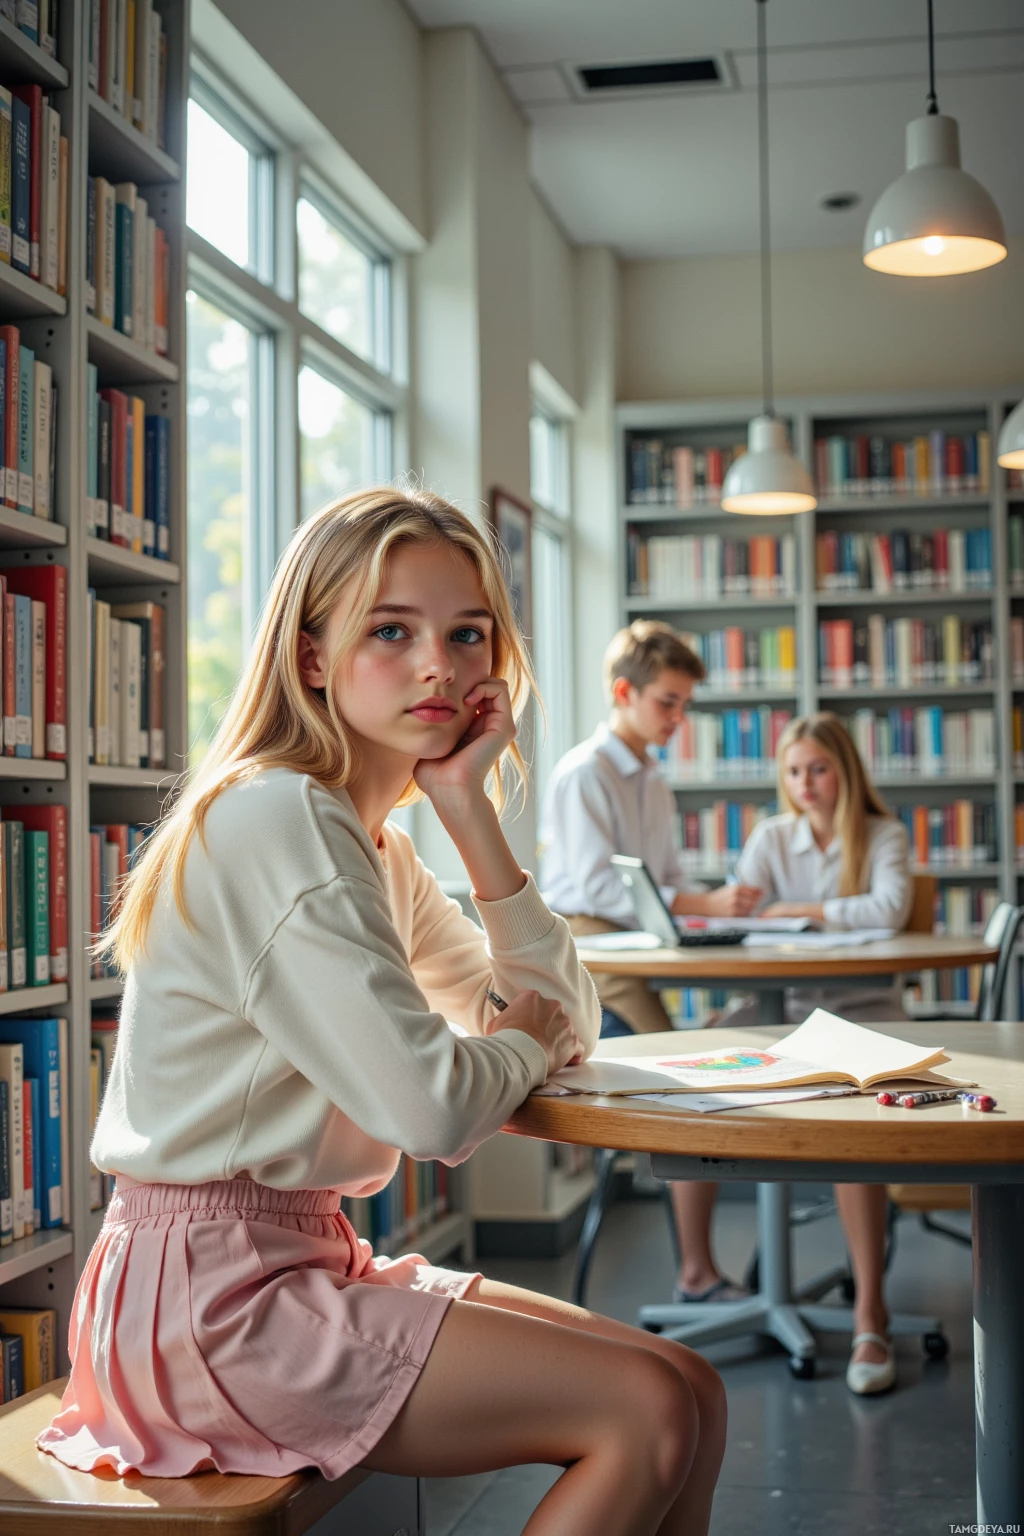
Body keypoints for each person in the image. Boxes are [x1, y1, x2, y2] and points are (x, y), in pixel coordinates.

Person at [39, 490, 726, 1536]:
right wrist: (512, 1042)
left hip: (296, 1265)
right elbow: (432, 1110)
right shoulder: (281, 818)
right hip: (211, 1304)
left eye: (467, 636)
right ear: (312, 656)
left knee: (691, 1386)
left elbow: (568, 1021)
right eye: (391, 631)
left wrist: (469, 812)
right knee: (649, 1410)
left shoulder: (374, 844)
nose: (438, 668)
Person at [539, 619, 762, 1306]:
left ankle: (706, 1267)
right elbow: (603, 889)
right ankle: (697, 1274)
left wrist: (705, 914)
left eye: (684, 705)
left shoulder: (653, 782)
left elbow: (661, 880)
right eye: (667, 702)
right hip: (592, 959)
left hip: (635, 946)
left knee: (731, 1039)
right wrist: (706, 903)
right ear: (623, 692)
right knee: (694, 1090)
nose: (677, 718)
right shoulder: (586, 774)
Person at [732, 711, 914, 1396]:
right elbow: (743, 913)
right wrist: (792, 913)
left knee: (851, 1116)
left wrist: (797, 912)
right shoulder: (770, 836)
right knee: (685, 1068)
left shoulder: (881, 833)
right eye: (793, 771)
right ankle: (703, 1279)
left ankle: (871, 1310)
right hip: (778, 1000)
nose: (805, 783)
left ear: (845, 771)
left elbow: (890, 909)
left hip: (863, 1002)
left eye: (819, 768)